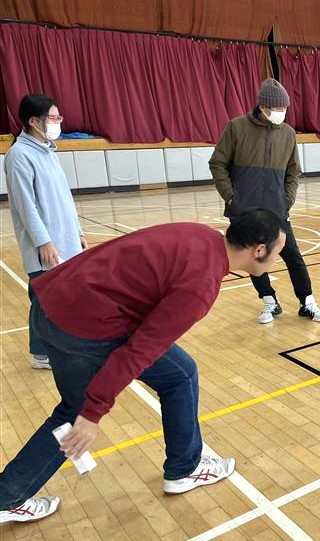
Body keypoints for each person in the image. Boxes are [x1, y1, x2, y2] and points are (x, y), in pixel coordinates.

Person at [0, 211, 286, 524]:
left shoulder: (199, 234)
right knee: (89, 409)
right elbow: (140, 350)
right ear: (259, 250)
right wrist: (94, 411)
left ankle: (184, 465)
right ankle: (184, 469)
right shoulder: (201, 285)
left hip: (53, 299)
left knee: (177, 374)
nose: (278, 258)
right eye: (278, 252)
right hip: (82, 325)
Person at [210, 78, 320, 324]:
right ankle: (269, 302)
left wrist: (287, 199)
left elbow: (293, 171)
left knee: (293, 257)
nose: (281, 113)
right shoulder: (236, 127)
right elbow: (217, 163)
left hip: (277, 210)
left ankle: (307, 302)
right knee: (254, 258)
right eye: (277, 108)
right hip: (244, 211)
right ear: (262, 107)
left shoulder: (288, 134)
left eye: (284, 108)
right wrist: (231, 197)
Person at [4, 95, 87, 370]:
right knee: (44, 300)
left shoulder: (48, 151)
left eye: (58, 117)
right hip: (45, 245)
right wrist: (43, 242)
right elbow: (26, 205)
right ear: (33, 121)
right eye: (53, 118)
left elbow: (64, 198)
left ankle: (63, 344)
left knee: (63, 297)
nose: (58, 122)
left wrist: (78, 231)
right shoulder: (19, 155)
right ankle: (41, 353)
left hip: (66, 238)